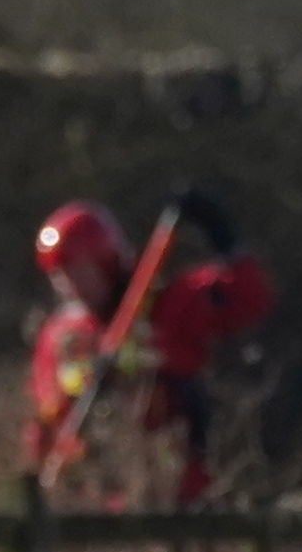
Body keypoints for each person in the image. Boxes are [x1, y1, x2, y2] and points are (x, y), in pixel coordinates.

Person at [24, 187, 273, 501]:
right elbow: (45, 419)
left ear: (105, 261)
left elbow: (249, 297)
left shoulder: (167, 306)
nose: (72, 286)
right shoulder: (60, 336)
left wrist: (222, 235)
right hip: (97, 491)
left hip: (179, 481)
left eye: (80, 271)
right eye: (60, 276)